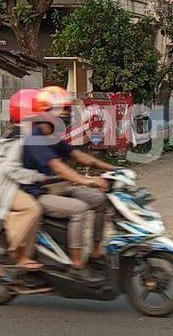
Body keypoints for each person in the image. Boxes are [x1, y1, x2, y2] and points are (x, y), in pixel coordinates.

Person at [22, 86, 116, 270]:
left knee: (99, 200)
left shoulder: (52, 135)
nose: (65, 115)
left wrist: (112, 168)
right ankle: (77, 263)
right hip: (36, 193)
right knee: (79, 209)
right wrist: (88, 181)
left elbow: (76, 154)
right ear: (46, 112)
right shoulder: (36, 138)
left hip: (55, 188)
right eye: (61, 110)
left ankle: (96, 251)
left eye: (67, 110)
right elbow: (58, 167)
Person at [0, 89, 48, 271]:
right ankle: (14, 252)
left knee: (39, 213)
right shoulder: (19, 137)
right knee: (33, 208)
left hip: (7, 185)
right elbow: (11, 168)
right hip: (3, 189)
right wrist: (36, 177)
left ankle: (27, 254)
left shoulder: (19, 132)